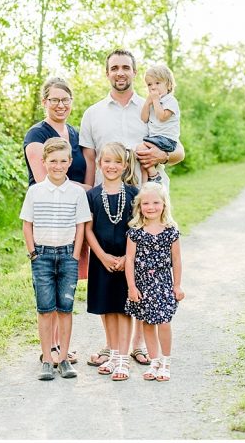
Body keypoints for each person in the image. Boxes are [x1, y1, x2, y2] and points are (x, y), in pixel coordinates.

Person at [79, 48, 185, 368]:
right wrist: (86, 199)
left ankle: (139, 343)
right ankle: (115, 347)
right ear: (107, 72)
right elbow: (87, 160)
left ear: (135, 73)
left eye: (126, 67)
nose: (120, 72)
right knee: (112, 272)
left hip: (146, 200)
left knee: (146, 270)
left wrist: (161, 157)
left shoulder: (155, 103)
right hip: (108, 201)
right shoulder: (93, 113)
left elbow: (178, 149)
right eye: (114, 67)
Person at [22, 77, 89, 367]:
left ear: (71, 102)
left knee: (66, 287)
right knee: (47, 291)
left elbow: (86, 170)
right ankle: (49, 348)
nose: (60, 105)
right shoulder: (37, 134)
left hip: (72, 219)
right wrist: (93, 192)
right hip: (48, 222)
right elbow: (46, 180)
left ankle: (62, 348)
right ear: (44, 102)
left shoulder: (75, 134)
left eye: (65, 99)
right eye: (54, 100)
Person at [84, 142, 140, 381]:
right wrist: (102, 256)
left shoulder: (134, 194)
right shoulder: (92, 195)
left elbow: (139, 227)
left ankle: (123, 359)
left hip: (127, 259)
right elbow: (87, 230)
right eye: (107, 161)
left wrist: (128, 257)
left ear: (125, 165)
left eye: (117, 162)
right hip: (102, 260)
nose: (112, 166)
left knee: (124, 307)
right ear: (99, 164)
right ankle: (114, 353)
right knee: (107, 307)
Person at [125, 183, 184, 382]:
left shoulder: (171, 231)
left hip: (164, 283)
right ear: (139, 206)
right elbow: (130, 260)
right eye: (146, 203)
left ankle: (165, 362)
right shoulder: (135, 231)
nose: (151, 207)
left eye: (156, 202)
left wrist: (177, 285)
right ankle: (154, 361)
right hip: (142, 284)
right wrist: (132, 287)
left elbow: (176, 260)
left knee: (164, 322)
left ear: (164, 205)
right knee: (148, 323)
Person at [140, 63, 181, 183]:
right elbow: (144, 118)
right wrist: (147, 103)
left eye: (157, 83)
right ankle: (150, 178)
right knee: (141, 151)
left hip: (167, 140)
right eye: (149, 84)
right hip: (157, 138)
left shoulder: (170, 101)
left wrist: (155, 101)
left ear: (168, 85)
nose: (153, 87)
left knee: (141, 149)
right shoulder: (153, 101)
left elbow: (162, 117)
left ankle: (154, 176)